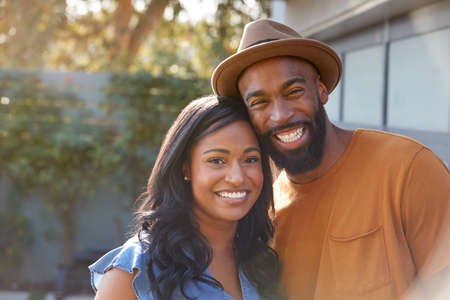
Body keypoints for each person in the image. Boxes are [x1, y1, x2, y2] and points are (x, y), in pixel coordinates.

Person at [211, 19, 450, 300]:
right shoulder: (265, 214)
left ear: (321, 91)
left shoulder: (408, 169)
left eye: (294, 92)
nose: (280, 115)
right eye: (259, 102)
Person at [89, 95, 282, 300]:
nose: (237, 177)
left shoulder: (264, 259)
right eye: (217, 160)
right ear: (185, 168)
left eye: (250, 159)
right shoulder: (134, 272)